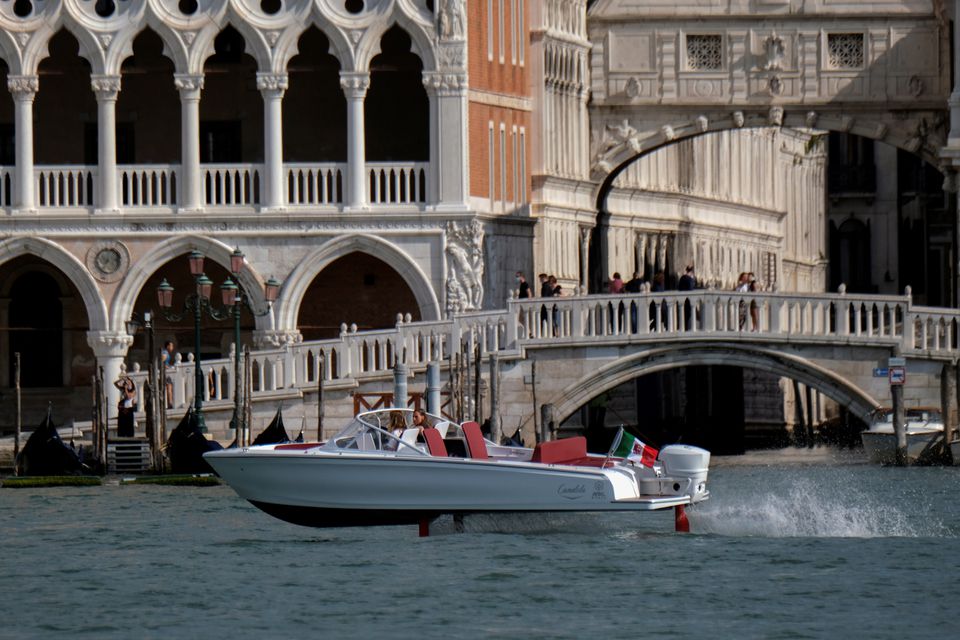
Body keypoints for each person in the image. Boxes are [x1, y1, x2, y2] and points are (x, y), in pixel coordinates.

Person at [678, 265, 696, 330]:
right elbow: (691, 289)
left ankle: (683, 328)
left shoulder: (682, 278)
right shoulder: (689, 280)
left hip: (681, 300)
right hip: (688, 301)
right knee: (687, 316)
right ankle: (686, 329)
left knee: (682, 316)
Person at [161, 340, 175, 409]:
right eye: (171, 346)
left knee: (170, 388)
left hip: (168, 372)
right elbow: (162, 363)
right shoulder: (165, 353)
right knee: (169, 387)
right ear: (168, 346)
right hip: (167, 373)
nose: (172, 347)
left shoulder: (166, 353)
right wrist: (169, 367)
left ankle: (170, 402)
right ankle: (170, 403)